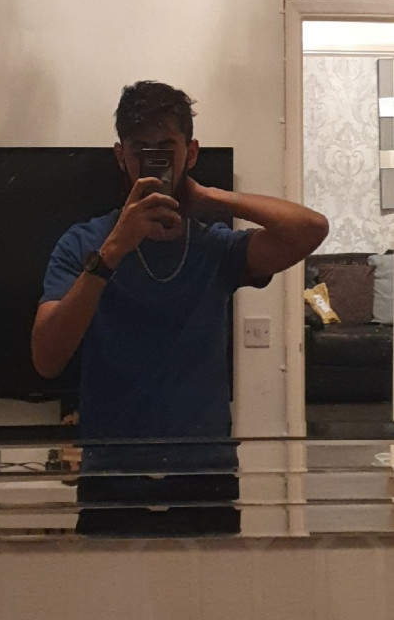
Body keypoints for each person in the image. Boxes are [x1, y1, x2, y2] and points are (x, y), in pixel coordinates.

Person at [31, 80, 328, 534]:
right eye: (140, 150)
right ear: (121, 156)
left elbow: (310, 228)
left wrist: (205, 196)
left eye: (165, 149)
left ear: (190, 152)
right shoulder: (83, 244)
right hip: (111, 471)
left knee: (208, 584)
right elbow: (46, 359)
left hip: (203, 471)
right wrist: (113, 251)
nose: (153, 160)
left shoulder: (216, 247)